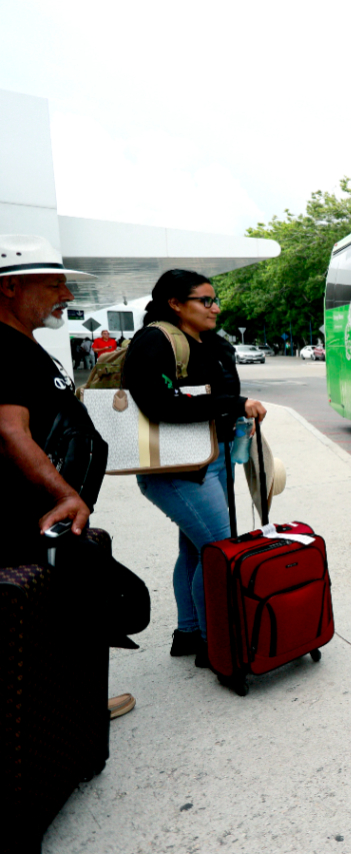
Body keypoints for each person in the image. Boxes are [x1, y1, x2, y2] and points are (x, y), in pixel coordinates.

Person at [0, 234, 138, 719]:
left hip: (46, 513)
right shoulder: (4, 346)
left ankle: (71, 706)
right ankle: (64, 713)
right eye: (54, 283)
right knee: (124, 604)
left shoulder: (25, 344)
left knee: (83, 610)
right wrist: (65, 495)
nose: (67, 295)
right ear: (11, 287)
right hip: (30, 516)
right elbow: (10, 431)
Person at [124, 269, 266, 668]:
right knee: (221, 550)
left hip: (213, 457)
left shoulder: (207, 342)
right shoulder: (155, 340)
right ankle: (215, 643)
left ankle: (189, 632)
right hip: (176, 468)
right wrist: (233, 405)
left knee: (196, 547)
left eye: (215, 299)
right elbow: (158, 404)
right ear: (175, 303)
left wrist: (234, 415)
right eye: (205, 300)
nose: (215, 307)